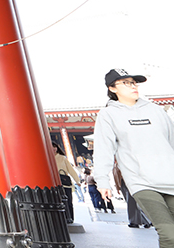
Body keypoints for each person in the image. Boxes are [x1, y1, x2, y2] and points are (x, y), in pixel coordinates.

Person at [94, 68, 174, 246]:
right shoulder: (108, 115)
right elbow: (104, 149)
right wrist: (102, 181)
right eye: (126, 83)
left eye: (134, 82)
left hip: (170, 178)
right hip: (142, 183)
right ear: (112, 88)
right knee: (169, 234)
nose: (133, 86)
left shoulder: (156, 110)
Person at [113, 161, 152, 228]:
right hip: (123, 184)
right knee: (132, 203)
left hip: (130, 183)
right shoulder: (116, 166)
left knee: (132, 203)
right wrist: (117, 188)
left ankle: (136, 221)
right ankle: (146, 221)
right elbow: (116, 178)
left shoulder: (125, 162)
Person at [52, 143, 80, 223]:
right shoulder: (47, 157)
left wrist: (77, 180)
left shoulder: (62, 158)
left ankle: (70, 217)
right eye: (52, 147)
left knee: (68, 202)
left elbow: (70, 169)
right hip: (54, 183)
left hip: (64, 182)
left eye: (55, 147)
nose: (54, 149)